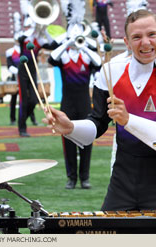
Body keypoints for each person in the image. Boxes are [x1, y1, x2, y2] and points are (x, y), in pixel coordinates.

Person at [43, 9, 156, 210]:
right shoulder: (110, 71)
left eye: (151, 34)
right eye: (136, 37)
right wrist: (71, 127)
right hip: (121, 180)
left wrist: (128, 120)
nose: (145, 43)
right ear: (126, 42)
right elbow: (98, 123)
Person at [48, 0, 101, 189]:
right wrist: (68, 42)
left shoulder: (87, 57)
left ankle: (84, 178)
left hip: (85, 103)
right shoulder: (63, 56)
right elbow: (51, 58)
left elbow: (99, 63)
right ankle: (71, 178)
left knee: (87, 139)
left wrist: (84, 45)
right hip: (68, 104)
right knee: (68, 140)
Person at [17, 13, 54, 137]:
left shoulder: (40, 40)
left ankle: (23, 120)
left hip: (33, 70)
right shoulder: (24, 38)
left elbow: (54, 45)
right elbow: (20, 38)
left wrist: (45, 31)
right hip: (23, 70)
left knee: (33, 100)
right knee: (24, 100)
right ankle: (22, 128)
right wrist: (33, 31)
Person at [6, 40, 37, 126]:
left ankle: (33, 118)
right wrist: (18, 72)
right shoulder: (10, 51)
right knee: (14, 99)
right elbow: (9, 65)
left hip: (26, 78)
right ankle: (12, 118)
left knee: (28, 98)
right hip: (15, 77)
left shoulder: (25, 51)